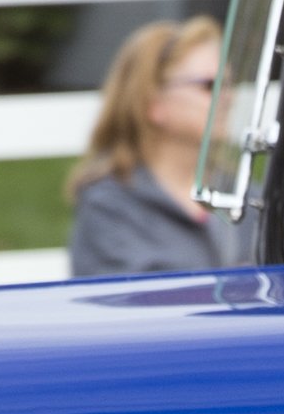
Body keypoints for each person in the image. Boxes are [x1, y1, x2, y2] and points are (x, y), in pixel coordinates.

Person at [68, 15, 232, 274]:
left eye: (228, 84)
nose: (228, 97)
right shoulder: (109, 208)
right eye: (209, 85)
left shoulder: (242, 196)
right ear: (152, 101)